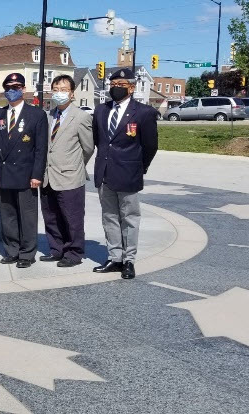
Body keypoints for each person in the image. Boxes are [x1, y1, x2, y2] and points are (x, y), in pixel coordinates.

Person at [92, 68, 158, 279]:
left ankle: (129, 260)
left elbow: (150, 146)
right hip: (104, 172)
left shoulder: (144, 112)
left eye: (121, 85)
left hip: (129, 172)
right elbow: (98, 141)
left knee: (129, 218)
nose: (116, 88)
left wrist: (140, 166)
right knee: (109, 217)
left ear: (131, 87)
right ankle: (115, 258)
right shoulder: (101, 110)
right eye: (113, 85)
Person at [0, 73, 48, 268]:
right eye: (8, 87)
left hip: (26, 174)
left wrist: (37, 175)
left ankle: (27, 253)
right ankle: (11, 250)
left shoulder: (36, 114)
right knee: (7, 215)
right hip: (4, 172)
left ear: (23, 89)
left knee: (27, 216)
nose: (11, 91)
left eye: (16, 87)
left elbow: (41, 148)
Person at [40, 74, 94, 267]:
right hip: (48, 176)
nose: (59, 93)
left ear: (72, 94)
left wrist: (75, 165)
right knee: (51, 216)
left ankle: (73, 252)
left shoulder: (81, 117)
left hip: (70, 176)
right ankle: (56, 249)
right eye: (56, 90)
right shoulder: (47, 116)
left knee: (72, 218)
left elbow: (88, 148)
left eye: (64, 90)